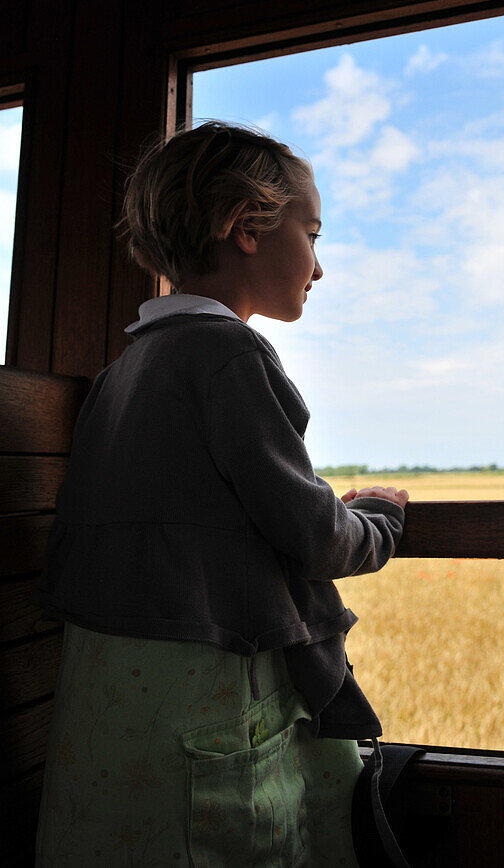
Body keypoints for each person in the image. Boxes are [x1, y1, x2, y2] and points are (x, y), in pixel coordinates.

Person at [31, 119, 409, 866]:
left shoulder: (122, 374)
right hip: (206, 691)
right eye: (312, 233)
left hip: (103, 696)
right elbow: (312, 534)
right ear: (247, 227)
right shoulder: (228, 354)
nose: (319, 266)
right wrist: (380, 517)